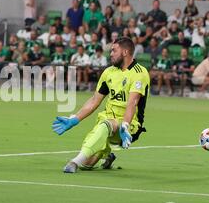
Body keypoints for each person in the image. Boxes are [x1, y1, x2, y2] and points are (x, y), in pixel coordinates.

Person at [52, 37, 150, 173]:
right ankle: (106, 156)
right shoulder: (109, 72)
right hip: (108, 117)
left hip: (130, 124)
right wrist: (74, 119)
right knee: (87, 165)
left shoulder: (140, 73)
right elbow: (94, 101)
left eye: (114, 50)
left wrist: (125, 126)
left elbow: (132, 103)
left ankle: (74, 162)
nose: (110, 54)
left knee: (105, 126)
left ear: (125, 52)